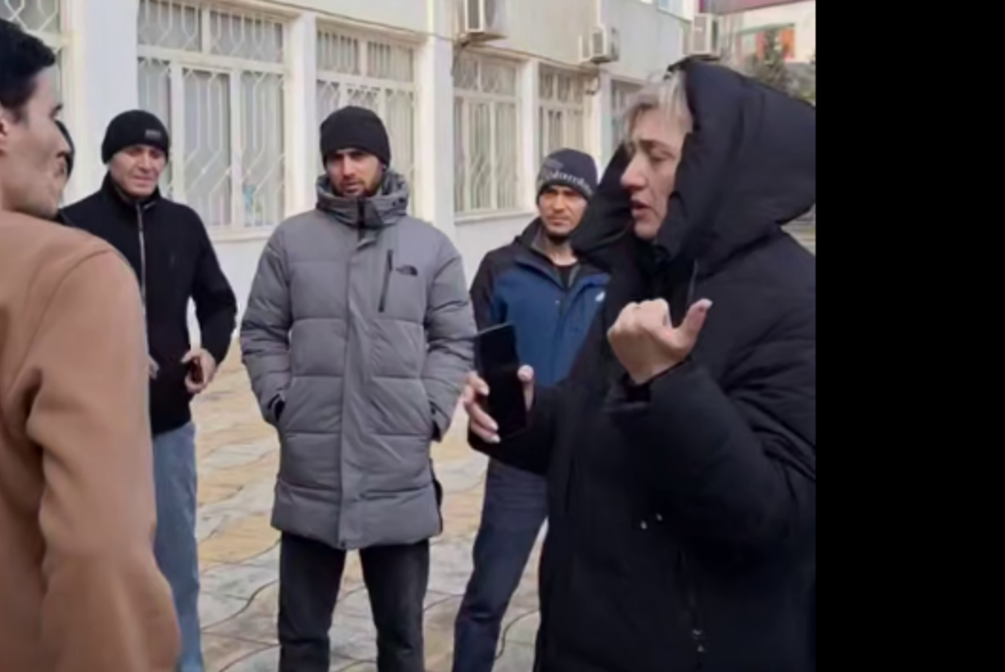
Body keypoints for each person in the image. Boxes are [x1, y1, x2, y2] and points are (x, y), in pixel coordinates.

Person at [461, 58, 816, 671]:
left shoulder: (795, 299)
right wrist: (526, 415)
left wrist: (667, 383)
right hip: (580, 639)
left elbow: (771, 520)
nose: (628, 176)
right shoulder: (644, 272)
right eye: (631, 153)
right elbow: (592, 425)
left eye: (656, 156)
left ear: (714, 168)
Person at [0, 11, 178, 672]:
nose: (62, 143)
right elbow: (101, 554)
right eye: (52, 114)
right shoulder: (70, 271)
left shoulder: (170, 227)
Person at [239, 105, 475, 672]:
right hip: (312, 470)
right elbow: (261, 331)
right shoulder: (291, 241)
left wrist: (430, 408)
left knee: (401, 637)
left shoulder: (429, 247)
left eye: (359, 156)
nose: (346, 169)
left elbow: (454, 339)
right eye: (336, 157)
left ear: (382, 160)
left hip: (398, 471)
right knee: (301, 638)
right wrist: (282, 401)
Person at [61, 108, 237, 672]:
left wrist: (210, 350)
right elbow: (49, 319)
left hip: (167, 428)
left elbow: (218, 302)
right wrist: (105, 353)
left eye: (156, 153)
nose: (145, 163)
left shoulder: (184, 224)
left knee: (176, 566)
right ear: (109, 157)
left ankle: (185, 664)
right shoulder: (71, 225)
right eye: (133, 151)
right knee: (98, 564)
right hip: (94, 432)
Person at [452, 149, 608, 672]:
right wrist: (471, 383)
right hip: (519, 457)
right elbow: (468, 344)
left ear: (589, 203)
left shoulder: (613, 272)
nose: (559, 206)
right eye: (550, 193)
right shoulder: (501, 268)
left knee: (576, 600)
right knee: (487, 595)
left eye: (572, 195)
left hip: (589, 459)